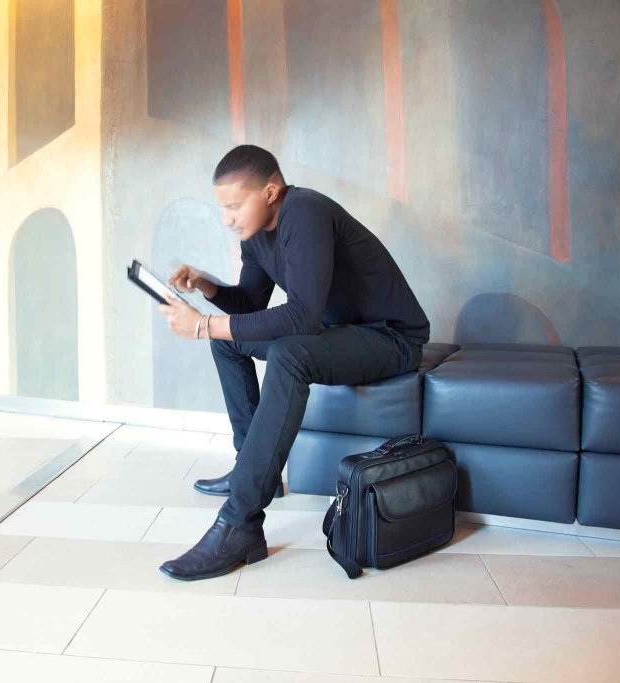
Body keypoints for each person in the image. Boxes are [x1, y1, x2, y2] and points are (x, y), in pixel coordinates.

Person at [156, 144, 430, 581]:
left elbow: (303, 316)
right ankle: (249, 467)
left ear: (270, 191)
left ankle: (240, 523)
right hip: (342, 333)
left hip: (391, 338)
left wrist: (204, 325)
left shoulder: (306, 212)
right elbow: (250, 305)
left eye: (234, 206)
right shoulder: (256, 234)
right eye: (222, 208)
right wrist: (206, 286)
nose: (227, 219)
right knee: (229, 342)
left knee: (286, 352)